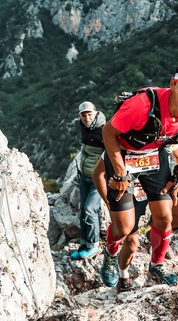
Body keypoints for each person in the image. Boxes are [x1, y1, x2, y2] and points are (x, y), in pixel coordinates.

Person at [99, 60, 178, 289]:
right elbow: (108, 132)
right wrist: (120, 174)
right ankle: (110, 254)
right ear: (172, 84)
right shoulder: (142, 105)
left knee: (165, 216)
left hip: (154, 156)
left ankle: (156, 265)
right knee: (123, 227)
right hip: (123, 155)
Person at [92, 143, 178, 292]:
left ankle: (154, 245)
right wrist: (110, 204)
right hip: (132, 191)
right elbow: (97, 173)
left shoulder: (159, 136)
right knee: (131, 242)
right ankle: (123, 276)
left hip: (156, 181)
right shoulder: (123, 141)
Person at [70, 101, 106, 260]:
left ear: (96, 113)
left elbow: (113, 154)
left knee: (90, 209)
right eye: (83, 115)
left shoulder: (104, 131)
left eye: (89, 114)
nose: (86, 118)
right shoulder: (84, 126)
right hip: (84, 176)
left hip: (98, 179)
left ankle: (93, 245)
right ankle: (84, 244)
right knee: (83, 210)